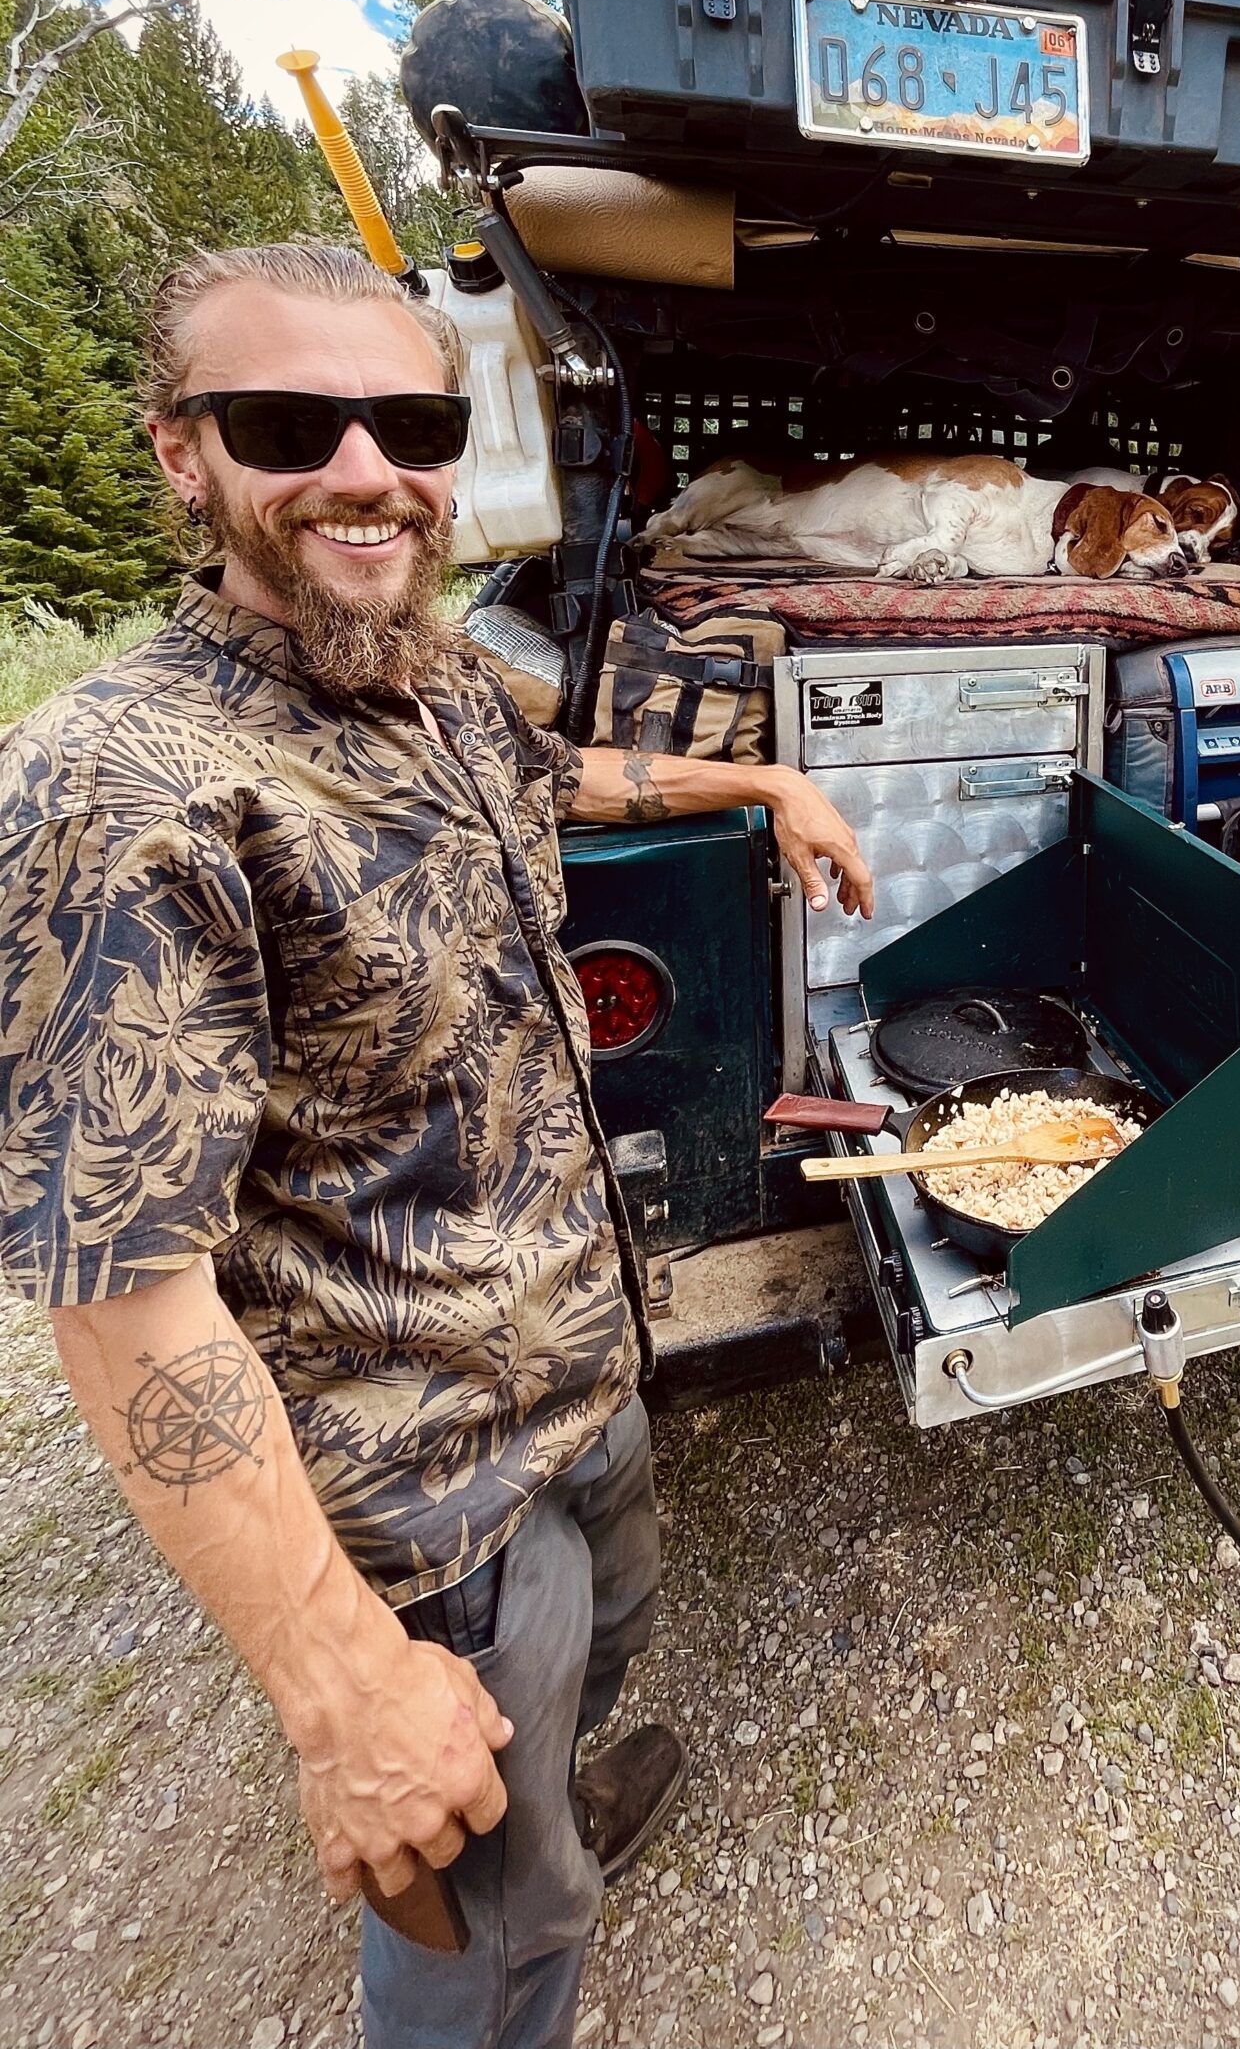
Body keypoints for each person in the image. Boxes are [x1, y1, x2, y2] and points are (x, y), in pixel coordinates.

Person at [0, 243, 874, 2049]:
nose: (360, 465)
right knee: (484, 1936)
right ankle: (513, 1899)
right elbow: (122, 1301)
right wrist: (339, 1690)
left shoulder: (439, 681)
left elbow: (571, 786)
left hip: (583, 1373)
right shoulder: (124, 783)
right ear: (186, 453)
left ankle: (561, 1790)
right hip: (421, 1510)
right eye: (286, 420)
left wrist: (769, 783)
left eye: (404, 420)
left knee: (606, 1653)